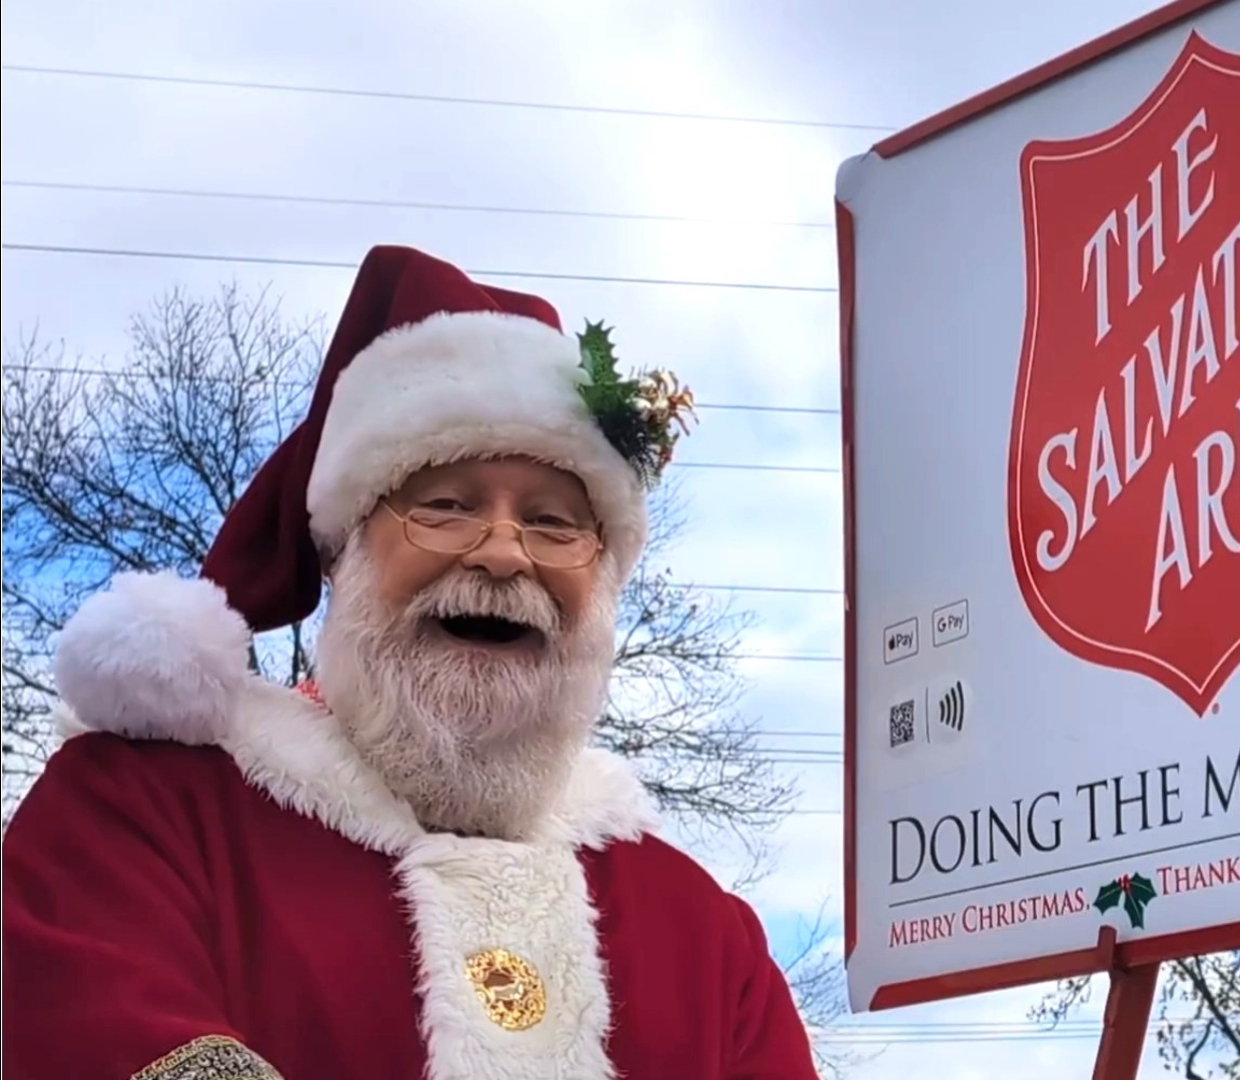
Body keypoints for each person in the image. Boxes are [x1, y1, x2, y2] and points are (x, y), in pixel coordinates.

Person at [2, 245, 822, 1079]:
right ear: (343, 553)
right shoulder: (138, 819)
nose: (504, 553)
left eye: (554, 522)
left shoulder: (704, 936)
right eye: (445, 505)